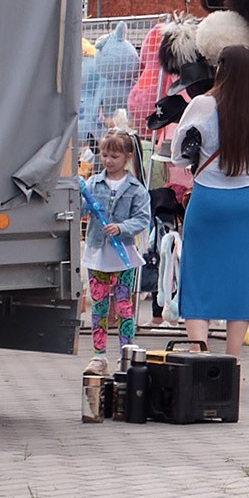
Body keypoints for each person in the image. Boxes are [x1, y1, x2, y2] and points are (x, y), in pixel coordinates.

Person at [171, 46, 249, 361]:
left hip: (208, 200)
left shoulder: (202, 105)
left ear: (219, 70)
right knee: (243, 280)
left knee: (198, 278)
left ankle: (199, 356)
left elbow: (179, 154)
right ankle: (232, 362)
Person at [81, 128, 152, 373]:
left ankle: (126, 352)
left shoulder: (136, 189)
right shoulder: (92, 183)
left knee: (124, 306)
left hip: (123, 256)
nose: (108, 161)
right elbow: (81, 210)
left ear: (128, 157)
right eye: (105, 155)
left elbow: (143, 218)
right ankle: (98, 355)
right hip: (97, 253)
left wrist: (121, 228)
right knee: (98, 306)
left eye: (114, 156)